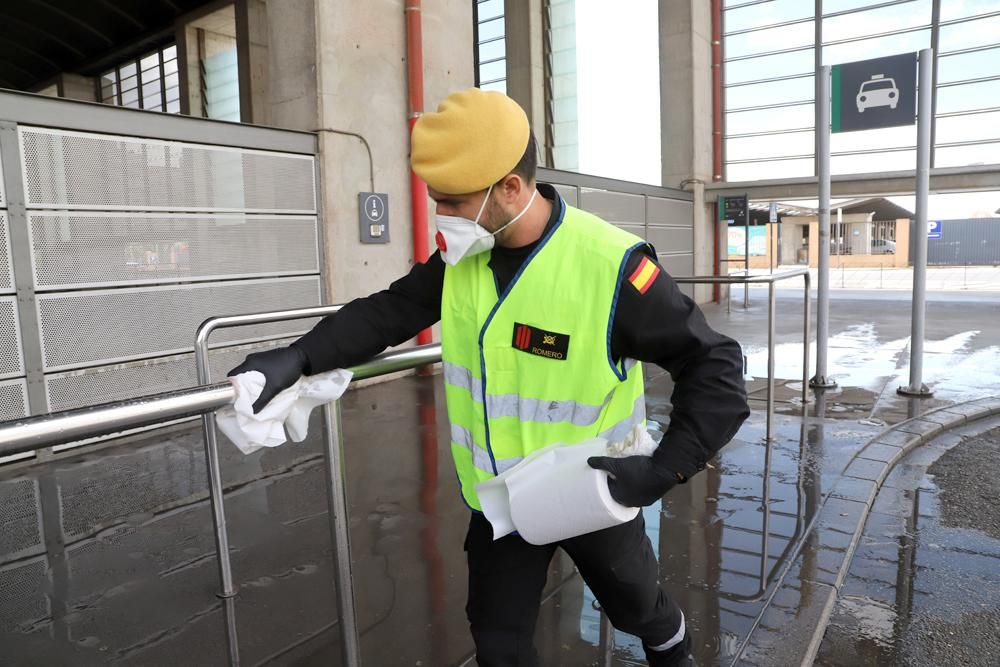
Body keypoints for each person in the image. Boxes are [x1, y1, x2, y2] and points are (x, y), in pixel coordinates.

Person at [229, 88, 749, 666]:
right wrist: (299, 357)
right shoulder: (464, 258)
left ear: (510, 187)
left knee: (637, 607)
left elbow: (714, 365)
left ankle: (671, 650)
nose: (441, 216)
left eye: (451, 202)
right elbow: (390, 310)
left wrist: (661, 469)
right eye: (436, 201)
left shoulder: (612, 266)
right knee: (498, 641)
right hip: (500, 502)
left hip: (594, 489)